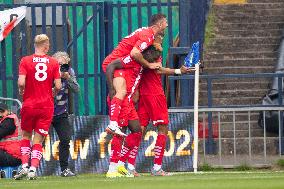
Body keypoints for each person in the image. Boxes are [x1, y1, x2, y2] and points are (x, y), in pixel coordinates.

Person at [126, 37, 195, 176]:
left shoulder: (141, 51)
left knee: (140, 130)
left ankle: (129, 165)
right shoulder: (153, 51)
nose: (162, 38)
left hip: (144, 93)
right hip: (155, 94)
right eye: (160, 35)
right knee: (162, 128)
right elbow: (157, 70)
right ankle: (157, 167)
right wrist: (178, 71)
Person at [104, 42, 164, 178]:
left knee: (137, 131)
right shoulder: (129, 61)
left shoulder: (142, 65)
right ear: (146, 54)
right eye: (151, 59)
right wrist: (112, 90)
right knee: (120, 133)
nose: (151, 62)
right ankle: (112, 169)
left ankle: (119, 163)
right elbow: (110, 66)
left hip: (129, 102)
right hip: (122, 101)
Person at [102, 13, 168, 136]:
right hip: (115, 63)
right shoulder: (148, 37)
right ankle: (113, 123)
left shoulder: (144, 33)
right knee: (121, 92)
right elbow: (134, 53)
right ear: (159, 24)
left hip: (119, 64)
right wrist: (149, 65)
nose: (167, 25)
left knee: (136, 132)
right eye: (166, 22)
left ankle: (114, 124)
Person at [14, 34, 62, 180]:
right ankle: (33, 169)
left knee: (26, 135)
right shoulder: (53, 62)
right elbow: (58, 85)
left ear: (35, 45)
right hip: (46, 106)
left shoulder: (25, 60)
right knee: (38, 139)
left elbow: (21, 82)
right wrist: (53, 92)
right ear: (46, 45)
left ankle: (23, 166)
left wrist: (22, 91)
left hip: (29, 104)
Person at [51, 51, 79, 177]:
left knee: (65, 139)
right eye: (59, 64)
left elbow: (77, 90)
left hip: (61, 112)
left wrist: (68, 78)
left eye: (64, 64)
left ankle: (64, 169)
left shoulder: (69, 72)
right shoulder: (48, 70)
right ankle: (31, 167)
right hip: (46, 111)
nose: (62, 67)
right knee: (38, 139)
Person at [0, 103, 22, 170]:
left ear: (8, 111)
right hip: (10, 153)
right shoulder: (6, 120)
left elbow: (1, 132)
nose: (0, 114)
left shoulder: (9, 120)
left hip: (13, 156)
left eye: (2, 111)